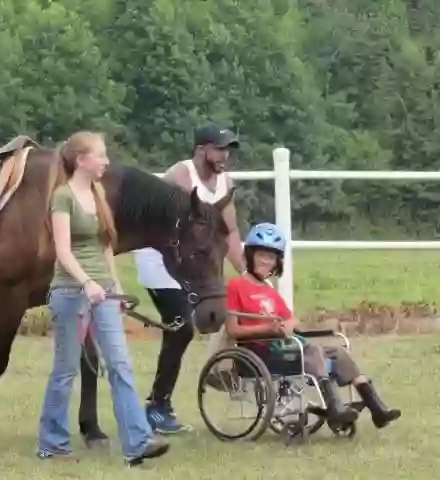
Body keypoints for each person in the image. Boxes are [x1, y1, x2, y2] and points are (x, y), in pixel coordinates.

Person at [36, 131, 170, 466]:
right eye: (100, 155)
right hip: (70, 291)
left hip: (103, 292)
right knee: (66, 369)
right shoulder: (62, 197)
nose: (106, 161)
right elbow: (63, 252)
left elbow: (106, 245)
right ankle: (51, 442)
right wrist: (86, 283)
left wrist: (114, 287)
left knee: (120, 365)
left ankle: (137, 443)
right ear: (81, 159)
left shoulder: (98, 194)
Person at [222, 222, 402, 429]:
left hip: (284, 347)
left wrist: (306, 325)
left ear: (276, 262)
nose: (265, 260)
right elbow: (233, 330)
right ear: (250, 255)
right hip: (260, 353)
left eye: (270, 257)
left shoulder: (269, 290)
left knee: (338, 352)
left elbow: (291, 320)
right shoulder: (235, 286)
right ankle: (334, 407)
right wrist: (268, 330)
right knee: (312, 350)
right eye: (261, 255)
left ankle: (376, 408)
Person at [133, 123, 245, 434]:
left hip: (195, 262)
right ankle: (157, 405)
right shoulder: (179, 179)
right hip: (161, 261)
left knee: (220, 314)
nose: (225, 155)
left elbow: (230, 232)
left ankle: (222, 374)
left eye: (228, 149)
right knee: (181, 326)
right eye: (219, 148)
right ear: (200, 150)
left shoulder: (225, 183)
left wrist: (247, 274)